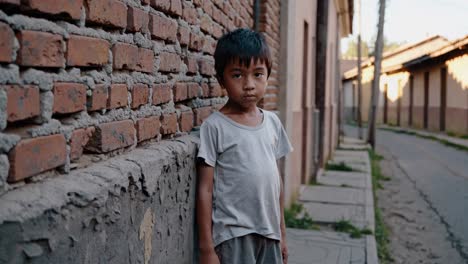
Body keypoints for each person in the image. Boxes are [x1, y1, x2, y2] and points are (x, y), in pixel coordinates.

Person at [196, 28, 293, 264]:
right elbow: (205, 190)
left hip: (269, 233)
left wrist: (281, 232)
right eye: (238, 75)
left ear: (268, 75)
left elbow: (276, 183)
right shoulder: (215, 127)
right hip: (234, 235)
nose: (249, 85)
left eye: (258, 74)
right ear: (221, 80)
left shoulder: (272, 123)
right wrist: (207, 248)